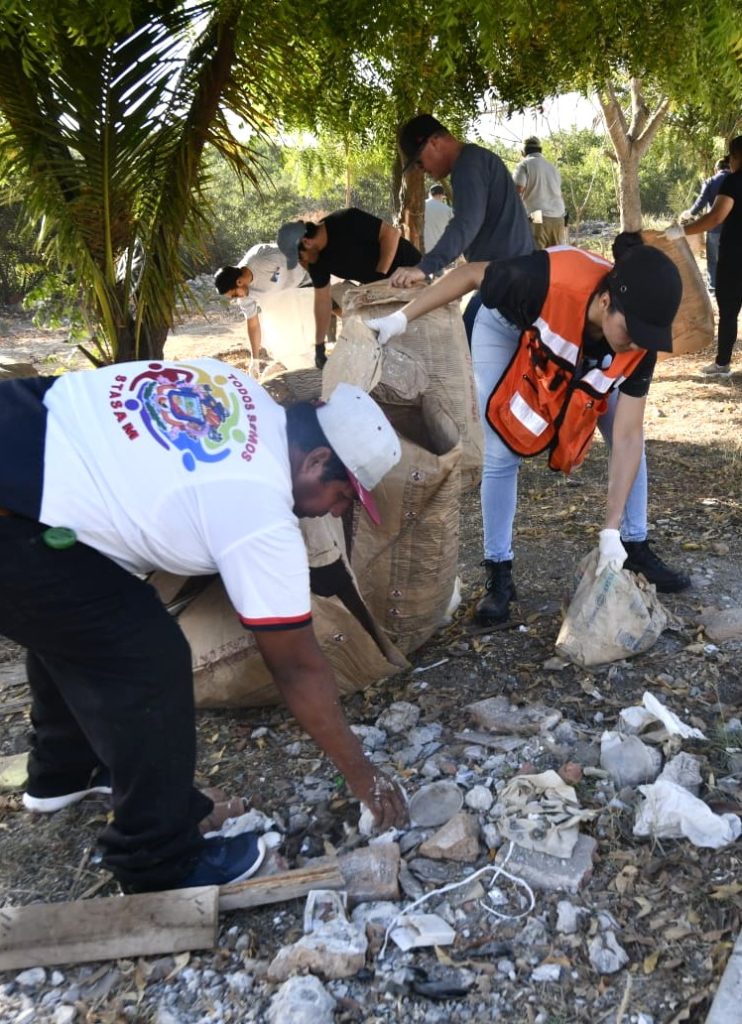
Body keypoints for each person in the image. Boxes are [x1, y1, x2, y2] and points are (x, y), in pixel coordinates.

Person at [0, 365, 407, 893]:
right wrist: (363, 775)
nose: (335, 512)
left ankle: (63, 771)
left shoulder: (238, 388)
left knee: (82, 609)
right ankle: (159, 863)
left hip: (24, 429)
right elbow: (296, 667)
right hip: (17, 509)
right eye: (343, 497)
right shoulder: (257, 507)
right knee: (148, 656)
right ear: (317, 460)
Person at [366, 234, 690, 624]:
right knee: (502, 447)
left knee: (628, 441)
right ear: (606, 301)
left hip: (574, 346)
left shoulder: (638, 342)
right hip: (506, 325)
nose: (638, 342)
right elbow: (469, 275)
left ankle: (632, 545)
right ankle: (498, 572)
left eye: (646, 335)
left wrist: (609, 529)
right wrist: (399, 320)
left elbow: (627, 436)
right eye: (633, 330)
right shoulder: (539, 279)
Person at [390, 114, 532, 342]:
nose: (421, 169)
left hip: (506, 280)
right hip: (508, 275)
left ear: (434, 142)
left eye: (419, 161)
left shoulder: (468, 164)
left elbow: (466, 223)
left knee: (464, 348)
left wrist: (424, 267)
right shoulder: (475, 161)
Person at [277, 209, 420, 370]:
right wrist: (319, 347)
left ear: (306, 242)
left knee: (421, 337)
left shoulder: (346, 220)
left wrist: (380, 281)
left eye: (300, 258)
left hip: (413, 274)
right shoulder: (316, 260)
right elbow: (323, 301)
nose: (303, 264)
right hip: (384, 290)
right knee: (395, 342)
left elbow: (391, 234)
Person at [662, 137, 742, 377]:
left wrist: (681, 232)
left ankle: (722, 364)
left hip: (736, 257)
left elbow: (716, 217)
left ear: (735, 157)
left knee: (729, 311)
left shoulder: (733, 181)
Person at [214, 243, 309, 375]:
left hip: (309, 270)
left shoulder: (260, 259)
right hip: (293, 292)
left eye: (235, 294)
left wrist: (276, 277)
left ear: (239, 282)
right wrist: (255, 360)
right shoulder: (245, 297)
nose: (238, 298)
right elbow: (253, 325)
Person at [682, 157, 730, 295]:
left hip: (714, 227)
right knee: (731, 259)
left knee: (713, 260)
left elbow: (700, 203)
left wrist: (689, 214)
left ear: (717, 169)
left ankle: (713, 289)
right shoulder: (736, 179)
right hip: (733, 229)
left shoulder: (711, 181)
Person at [512, 136, 567, 248]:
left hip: (537, 214)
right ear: (540, 150)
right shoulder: (552, 167)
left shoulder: (524, 164)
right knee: (555, 256)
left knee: (536, 256)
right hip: (559, 216)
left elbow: (518, 189)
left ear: (523, 151)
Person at [424, 184, 454, 253]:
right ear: (442, 195)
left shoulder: (421, 206)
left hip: (422, 248)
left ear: (430, 194)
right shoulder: (448, 210)